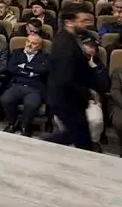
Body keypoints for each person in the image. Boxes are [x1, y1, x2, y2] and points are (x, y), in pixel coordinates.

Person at [45, 10, 109, 148]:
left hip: (72, 98)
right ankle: (39, 147)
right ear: (69, 22)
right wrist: (87, 92)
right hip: (66, 98)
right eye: (82, 20)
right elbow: (65, 77)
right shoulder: (64, 43)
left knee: (78, 134)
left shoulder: (71, 38)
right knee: (79, 136)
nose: (86, 24)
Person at [0, 33, 50, 135]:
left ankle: (25, 126)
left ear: (39, 46)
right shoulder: (16, 53)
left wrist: (24, 67)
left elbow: (43, 70)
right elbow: (11, 68)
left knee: (31, 105)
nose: (29, 45)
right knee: (5, 100)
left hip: (34, 88)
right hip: (17, 84)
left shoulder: (45, 56)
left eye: (33, 43)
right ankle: (12, 123)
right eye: (28, 41)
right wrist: (31, 72)